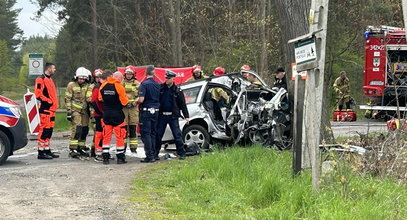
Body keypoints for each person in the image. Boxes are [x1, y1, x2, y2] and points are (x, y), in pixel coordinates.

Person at [155, 71, 189, 160]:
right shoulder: (161, 88)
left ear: (173, 79)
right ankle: (155, 154)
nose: (166, 80)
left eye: (168, 78)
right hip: (162, 115)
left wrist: (186, 116)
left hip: (173, 116)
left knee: (177, 135)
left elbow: (183, 104)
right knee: (158, 135)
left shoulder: (177, 90)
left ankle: (181, 153)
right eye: (166, 78)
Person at [98, 70, 129, 165]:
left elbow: (100, 99)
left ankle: (105, 158)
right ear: (119, 78)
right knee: (119, 136)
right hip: (117, 115)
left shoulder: (103, 86)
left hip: (106, 114)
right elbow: (125, 102)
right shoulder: (119, 86)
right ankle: (120, 158)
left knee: (106, 137)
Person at [65, 67, 93, 158]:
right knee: (77, 128)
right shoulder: (71, 85)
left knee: (85, 129)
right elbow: (68, 98)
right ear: (76, 77)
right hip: (75, 110)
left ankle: (81, 146)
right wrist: (69, 111)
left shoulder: (87, 86)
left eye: (83, 78)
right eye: (80, 78)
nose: (81, 80)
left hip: (84, 111)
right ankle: (73, 148)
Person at [34, 62, 59, 160]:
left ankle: (47, 149)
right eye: (53, 68)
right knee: (44, 130)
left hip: (52, 110)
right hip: (45, 109)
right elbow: (38, 94)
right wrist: (48, 101)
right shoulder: (41, 79)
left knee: (49, 131)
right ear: (49, 69)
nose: (54, 70)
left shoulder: (50, 79)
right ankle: (41, 152)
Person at [138, 66, 160, 163]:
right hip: (156, 110)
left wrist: (136, 101)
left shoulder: (144, 84)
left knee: (146, 133)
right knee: (153, 133)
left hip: (146, 111)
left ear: (145, 74)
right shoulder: (158, 84)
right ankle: (154, 154)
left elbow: (141, 99)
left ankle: (149, 156)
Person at [122, 66, 140, 157]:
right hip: (124, 109)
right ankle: (123, 148)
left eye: (130, 74)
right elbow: (120, 94)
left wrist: (134, 103)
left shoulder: (137, 84)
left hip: (133, 109)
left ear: (133, 75)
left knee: (133, 129)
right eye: (127, 74)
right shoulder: (121, 83)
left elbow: (140, 95)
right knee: (124, 130)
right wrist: (124, 103)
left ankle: (133, 148)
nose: (129, 75)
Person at [90, 69, 104, 162]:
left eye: (100, 77)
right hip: (95, 112)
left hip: (102, 112)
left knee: (102, 133)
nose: (98, 78)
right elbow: (91, 100)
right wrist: (99, 111)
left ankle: (99, 150)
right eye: (97, 77)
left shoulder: (103, 85)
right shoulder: (93, 87)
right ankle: (95, 151)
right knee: (97, 132)